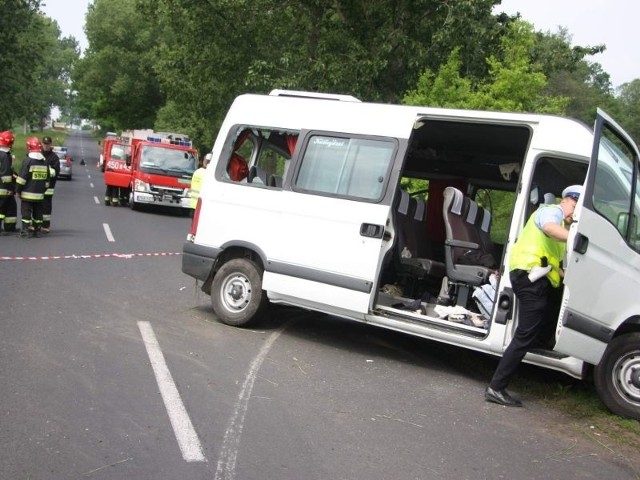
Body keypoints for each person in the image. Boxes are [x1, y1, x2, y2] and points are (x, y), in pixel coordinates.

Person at [485, 184, 583, 407]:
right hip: (530, 278)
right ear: (566, 200)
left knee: (534, 327)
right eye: (574, 207)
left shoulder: (559, 224)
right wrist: (577, 239)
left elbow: (548, 259)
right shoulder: (552, 212)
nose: (573, 214)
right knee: (524, 335)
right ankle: (496, 387)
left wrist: (563, 273)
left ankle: (507, 379)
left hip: (536, 278)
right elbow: (549, 228)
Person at [15, 137, 50, 238]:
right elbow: (47, 180)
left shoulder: (28, 161)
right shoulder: (45, 162)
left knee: (26, 213)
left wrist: (18, 190)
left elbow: (22, 178)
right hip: (39, 196)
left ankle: (25, 231)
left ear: (29, 147)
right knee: (38, 214)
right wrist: (43, 191)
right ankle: (36, 231)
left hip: (27, 195)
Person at [41, 136, 60, 233]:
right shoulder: (37, 154)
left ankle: (45, 226)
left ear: (50, 144)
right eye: (44, 144)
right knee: (35, 206)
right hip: (36, 187)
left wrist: (46, 170)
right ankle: (35, 225)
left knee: (46, 207)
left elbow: (55, 173)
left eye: (48, 144)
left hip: (48, 188)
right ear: (42, 144)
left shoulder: (54, 157)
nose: (46, 146)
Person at [0, 131, 15, 234]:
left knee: (10, 205)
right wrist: (10, 188)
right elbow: (6, 175)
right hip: (3, 188)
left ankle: (9, 227)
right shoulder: (5, 156)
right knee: (1, 209)